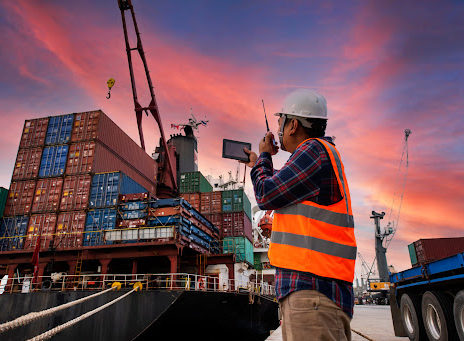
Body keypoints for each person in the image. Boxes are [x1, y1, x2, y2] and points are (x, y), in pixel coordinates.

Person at [242, 89, 357, 341]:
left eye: (281, 122)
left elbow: (265, 194)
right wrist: (259, 163)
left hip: (313, 290)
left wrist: (263, 157)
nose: (279, 130)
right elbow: (281, 187)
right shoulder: (316, 154)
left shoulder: (313, 151)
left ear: (293, 124)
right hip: (315, 289)